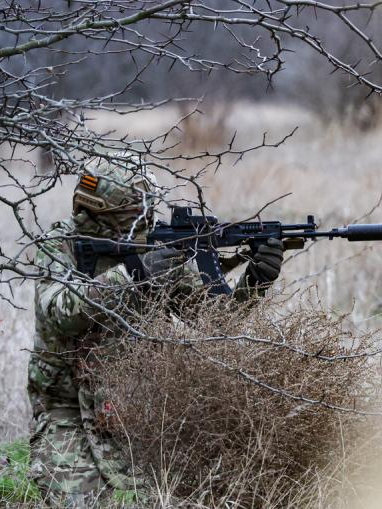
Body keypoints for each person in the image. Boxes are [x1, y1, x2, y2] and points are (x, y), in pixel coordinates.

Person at [28, 153, 284, 505]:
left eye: (147, 214)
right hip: (66, 410)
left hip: (139, 411)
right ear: (101, 214)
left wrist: (254, 283)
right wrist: (133, 273)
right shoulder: (60, 246)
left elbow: (215, 320)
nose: (145, 224)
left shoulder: (157, 252)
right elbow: (59, 311)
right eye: (135, 218)